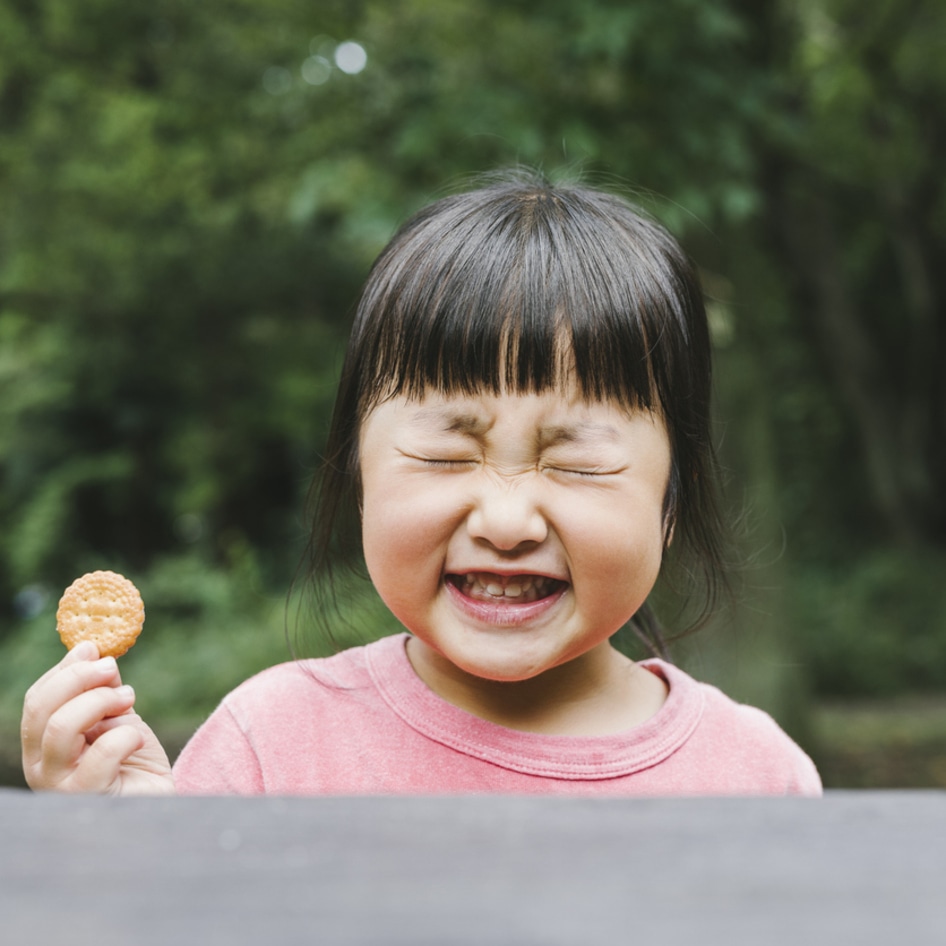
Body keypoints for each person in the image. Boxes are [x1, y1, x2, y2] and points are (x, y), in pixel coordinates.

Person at [21, 172, 822, 796]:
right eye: (445, 454)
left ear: (671, 501)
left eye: (577, 461)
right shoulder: (268, 750)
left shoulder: (757, 779)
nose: (508, 520)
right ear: (361, 475)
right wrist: (124, 852)